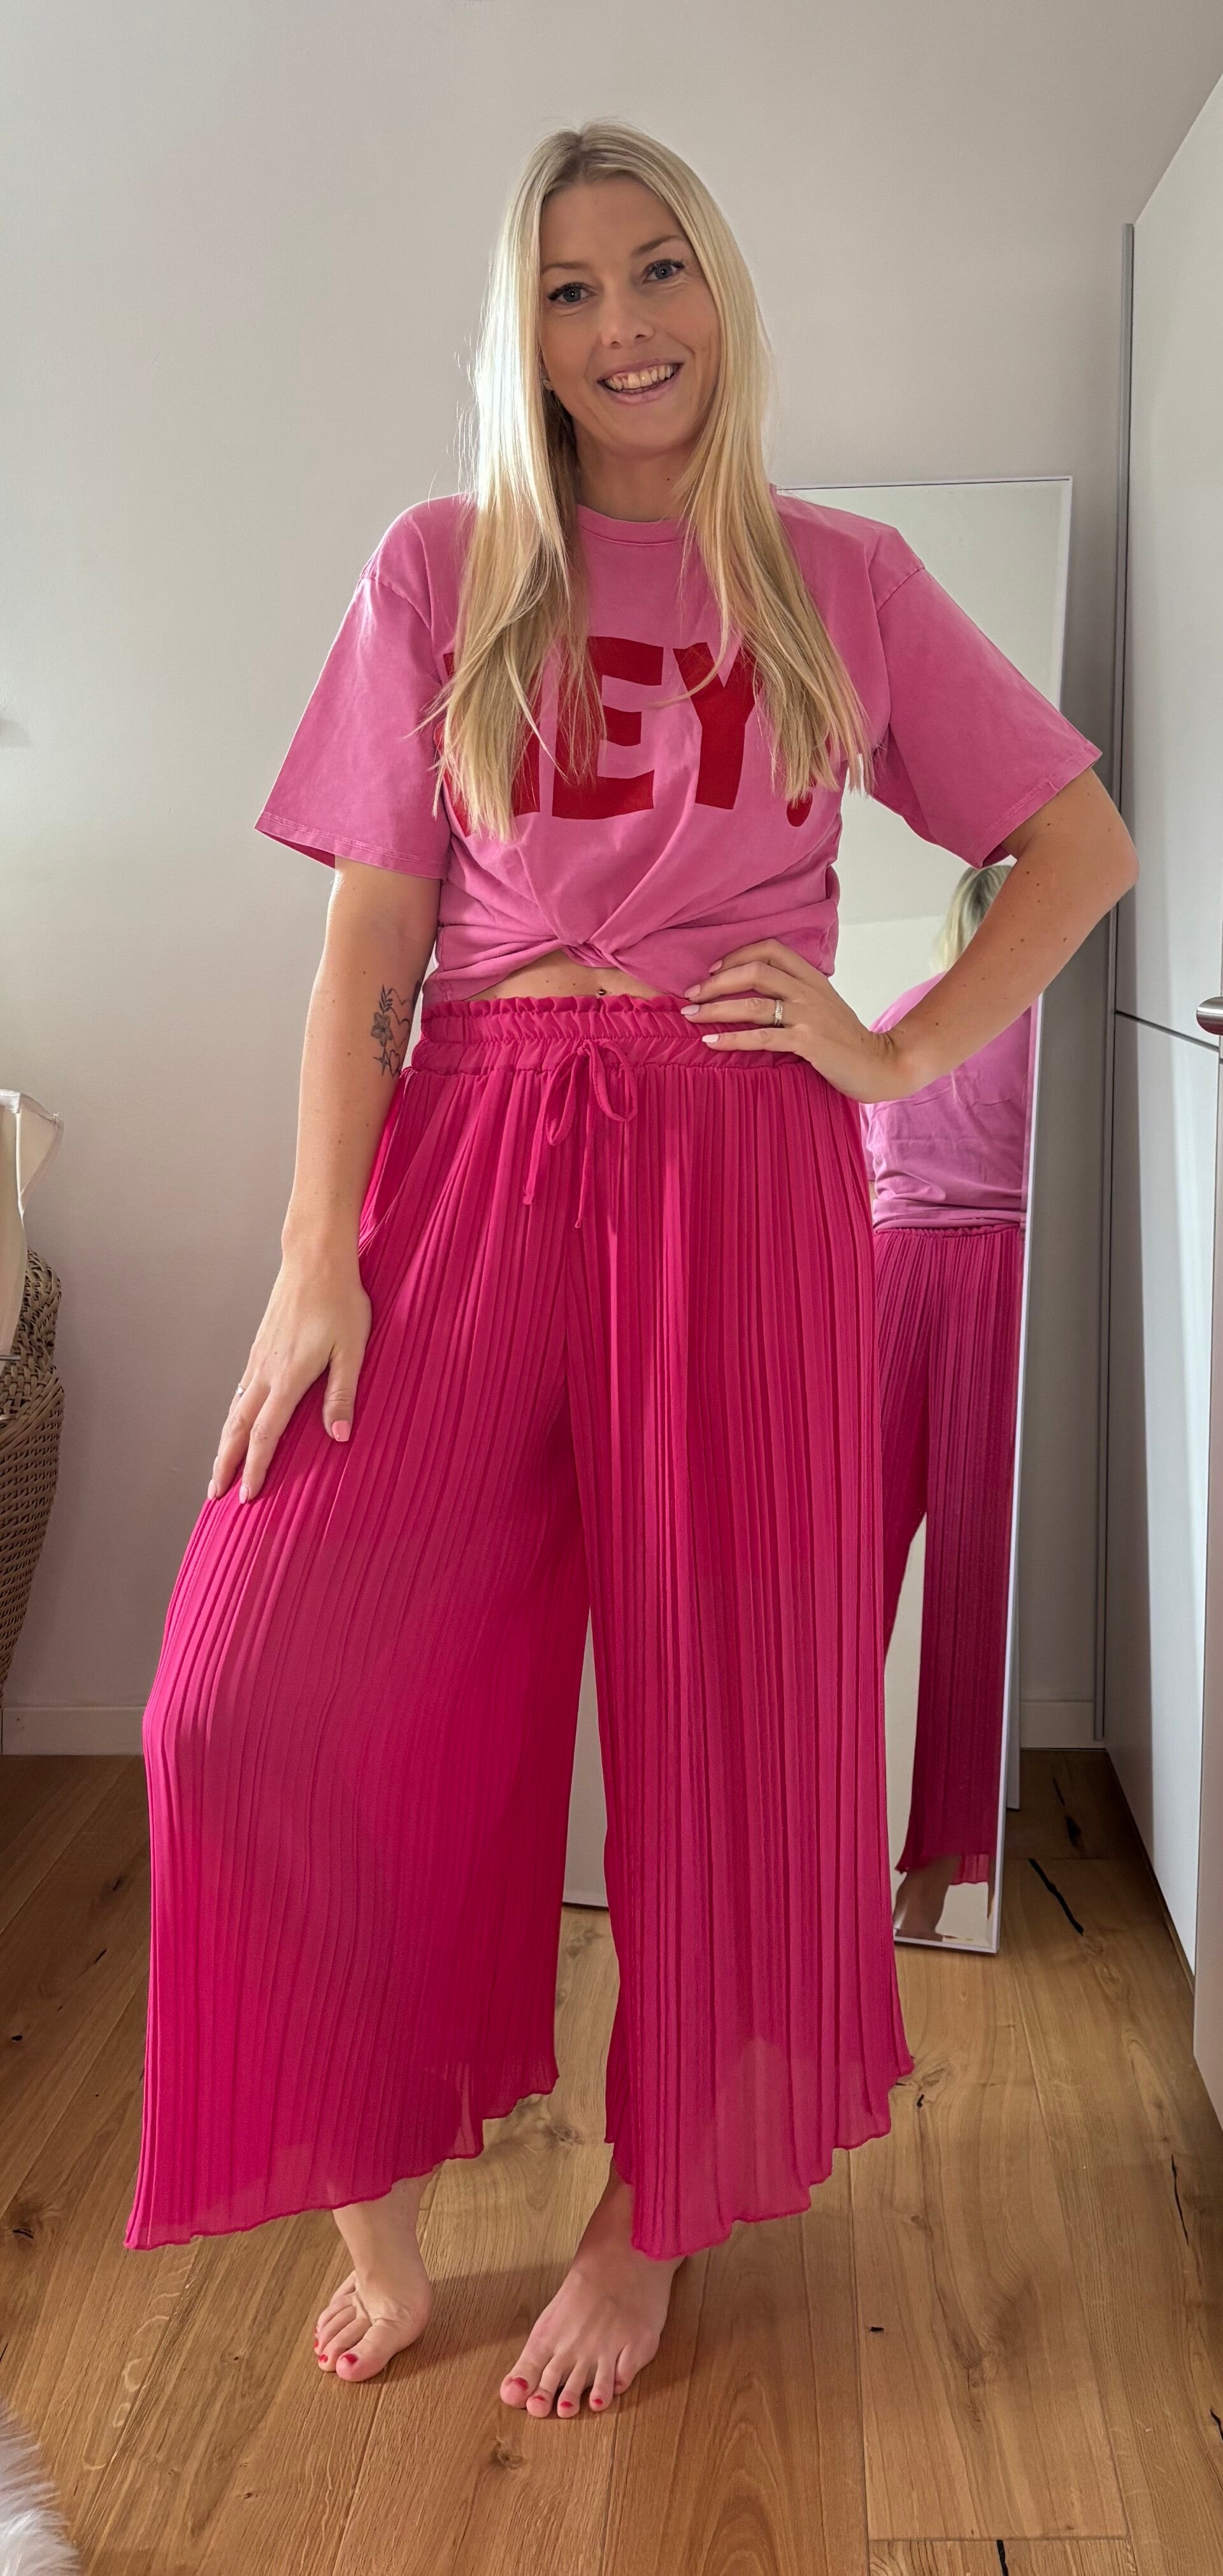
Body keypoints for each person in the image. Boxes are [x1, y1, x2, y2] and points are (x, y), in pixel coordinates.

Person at [122, 119, 1136, 2422]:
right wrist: (314, 1248)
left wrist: (896, 1047)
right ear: (528, 332)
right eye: (570, 291)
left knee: (734, 1719)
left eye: (657, 269)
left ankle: (652, 2213)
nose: (624, 326)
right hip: (473, 1141)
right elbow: (368, 946)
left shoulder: (843, 576)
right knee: (235, 1699)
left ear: (719, 288)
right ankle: (372, 2199)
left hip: (741, 1166)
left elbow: (1075, 843)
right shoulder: (446, 567)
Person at [862, 866, 1035, 1940]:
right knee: (976, 1583)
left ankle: (804, 1838)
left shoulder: (900, 1014)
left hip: (888, 1280)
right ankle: (928, 1888)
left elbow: (859, 1163)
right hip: (1000, 1281)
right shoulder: (1044, 1028)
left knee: (845, 1567)